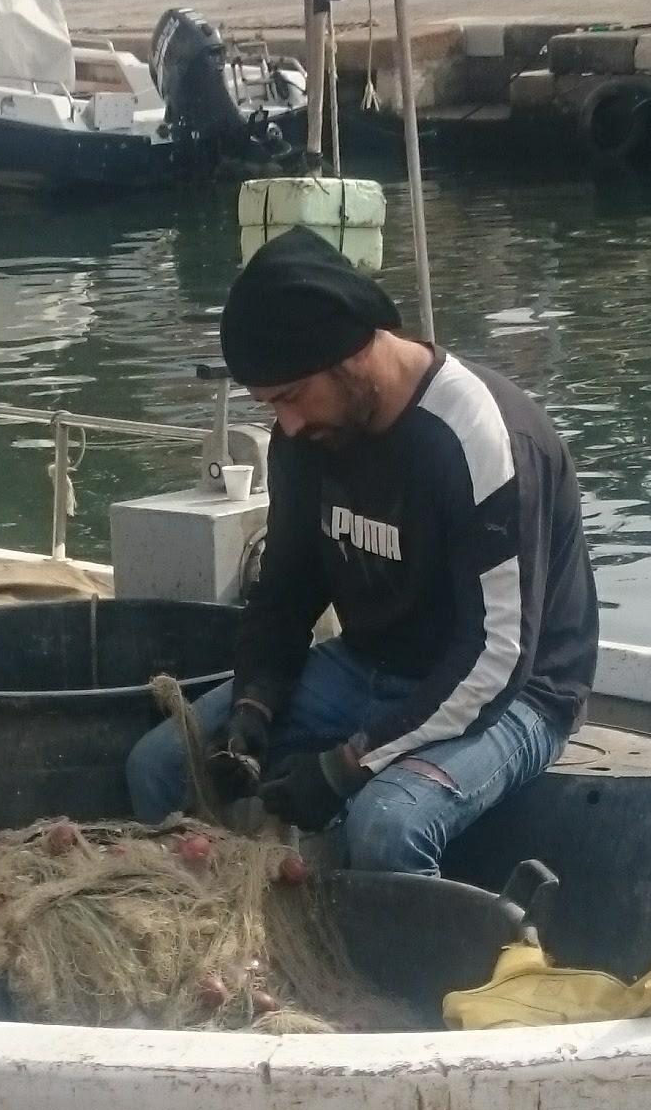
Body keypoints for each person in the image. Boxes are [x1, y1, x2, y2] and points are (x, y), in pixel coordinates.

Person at [127, 228, 598, 871]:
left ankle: (413, 940)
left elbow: (497, 659)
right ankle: (201, 928)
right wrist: (253, 708)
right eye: (270, 405)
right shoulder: (307, 439)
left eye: (292, 396)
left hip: (519, 692)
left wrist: (348, 766)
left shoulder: (480, 442)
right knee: (159, 764)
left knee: (385, 826)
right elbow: (285, 591)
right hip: (369, 664)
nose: (287, 425)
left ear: (350, 355)